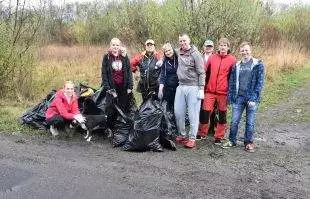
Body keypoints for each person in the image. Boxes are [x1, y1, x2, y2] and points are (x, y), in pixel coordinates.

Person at [221, 42, 265, 152]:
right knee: (234, 121)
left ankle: (248, 142)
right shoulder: (236, 65)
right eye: (242, 50)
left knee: (250, 122)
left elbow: (259, 83)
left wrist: (254, 98)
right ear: (240, 51)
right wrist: (231, 97)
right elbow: (232, 82)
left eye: (246, 50)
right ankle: (232, 140)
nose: (244, 52)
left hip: (251, 98)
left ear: (250, 50)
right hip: (239, 97)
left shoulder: (258, 64)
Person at [198, 38, 237, 144]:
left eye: (225, 45)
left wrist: (231, 92)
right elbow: (205, 73)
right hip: (209, 91)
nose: (223, 47)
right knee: (205, 112)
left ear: (228, 47)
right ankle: (202, 133)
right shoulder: (212, 58)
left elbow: (233, 78)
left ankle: (219, 136)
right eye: (221, 45)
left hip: (223, 93)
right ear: (218, 46)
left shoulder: (232, 60)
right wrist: (203, 88)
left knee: (222, 115)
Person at [174, 34, 205, 148]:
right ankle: (182, 135)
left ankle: (192, 138)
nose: (183, 43)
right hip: (181, 86)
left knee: (193, 114)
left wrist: (201, 88)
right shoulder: (178, 52)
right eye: (180, 41)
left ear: (189, 41)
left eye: (184, 40)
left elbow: (201, 72)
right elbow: (167, 52)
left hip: (193, 87)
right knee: (178, 112)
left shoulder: (196, 54)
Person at [101, 37, 133, 114]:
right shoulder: (107, 57)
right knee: (111, 107)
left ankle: (121, 124)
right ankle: (111, 125)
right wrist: (107, 87)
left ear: (120, 46)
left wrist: (130, 86)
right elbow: (104, 73)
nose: (115, 47)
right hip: (112, 86)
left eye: (117, 45)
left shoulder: (124, 56)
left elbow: (129, 71)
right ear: (110, 46)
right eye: (113, 45)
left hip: (123, 85)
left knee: (123, 106)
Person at [198, 39, 217, 139]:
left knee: (214, 110)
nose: (208, 48)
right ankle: (201, 129)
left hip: (212, 87)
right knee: (203, 109)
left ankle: (213, 129)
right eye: (206, 46)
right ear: (203, 47)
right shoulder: (199, 57)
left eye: (210, 46)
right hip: (201, 86)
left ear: (213, 48)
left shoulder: (216, 57)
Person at [158, 43, 179, 110]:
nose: (168, 52)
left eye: (169, 50)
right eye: (166, 51)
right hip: (169, 89)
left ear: (173, 49)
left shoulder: (180, 58)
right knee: (169, 109)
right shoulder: (165, 62)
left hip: (179, 89)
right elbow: (163, 75)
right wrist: (160, 89)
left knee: (178, 108)